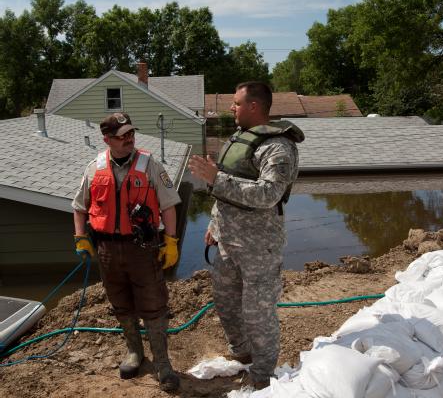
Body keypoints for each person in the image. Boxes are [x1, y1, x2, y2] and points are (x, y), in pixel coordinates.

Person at [188, 81, 304, 389]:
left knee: (258, 315)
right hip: (228, 241)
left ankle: (263, 375)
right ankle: (242, 353)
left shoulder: (278, 148)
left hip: (259, 249)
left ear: (254, 106)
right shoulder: (241, 138)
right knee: (225, 302)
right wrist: (214, 227)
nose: (230, 108)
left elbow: (268, 194)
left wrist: (216, 178)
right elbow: (225, 193)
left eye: (236, 103)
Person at [72, 112, 181, 392]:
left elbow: (169, 205)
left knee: (153, 304)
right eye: (123, 136)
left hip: (142, 248)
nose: (130, 139)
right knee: (120, 302)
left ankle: (162, 363)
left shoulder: (150, 165)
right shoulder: (94, 167)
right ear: (107, 139)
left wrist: (171, 241)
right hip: (107, 249)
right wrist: (81, 238)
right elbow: (79, 207)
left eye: (131, 133)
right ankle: (135, 352)